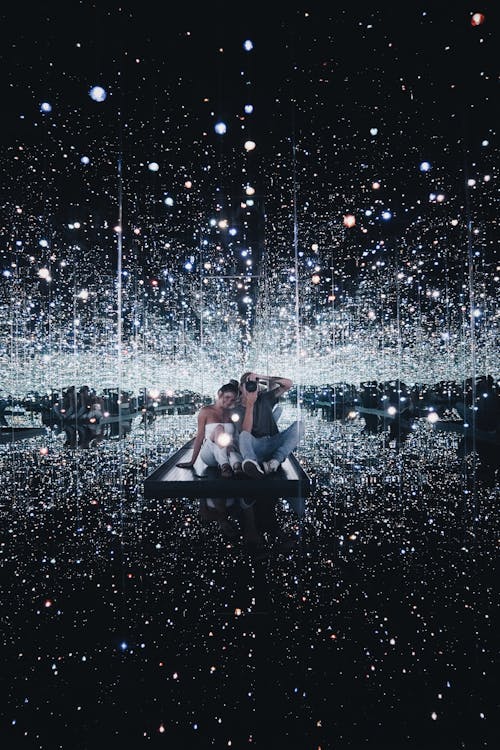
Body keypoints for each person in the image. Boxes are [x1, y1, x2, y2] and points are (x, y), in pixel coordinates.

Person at [235, 371, 304, 479]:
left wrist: (262, 377)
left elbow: (288, 384)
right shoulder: (236, 409)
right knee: (243, 435)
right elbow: (246, 433)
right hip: (254, 447)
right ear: (240, 387)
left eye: (255, 385)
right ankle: (252, 463)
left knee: (299, 425)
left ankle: (274, 463)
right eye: (248, 385)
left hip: (272, 442)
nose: (252, 387)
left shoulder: (265, 398)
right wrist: (250, 404)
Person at [176, 381, 244, 478]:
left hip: (228, 451)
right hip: (209, 454)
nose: (229, 402)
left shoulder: (232, 413)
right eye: (227, 397)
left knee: (229, 446)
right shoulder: (206, 411)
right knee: (219, 429)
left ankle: (235, 467)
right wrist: (192, 461)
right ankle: (225, 465)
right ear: (220, 394)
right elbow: (200, 436)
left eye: (232, 400)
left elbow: (238, 436)